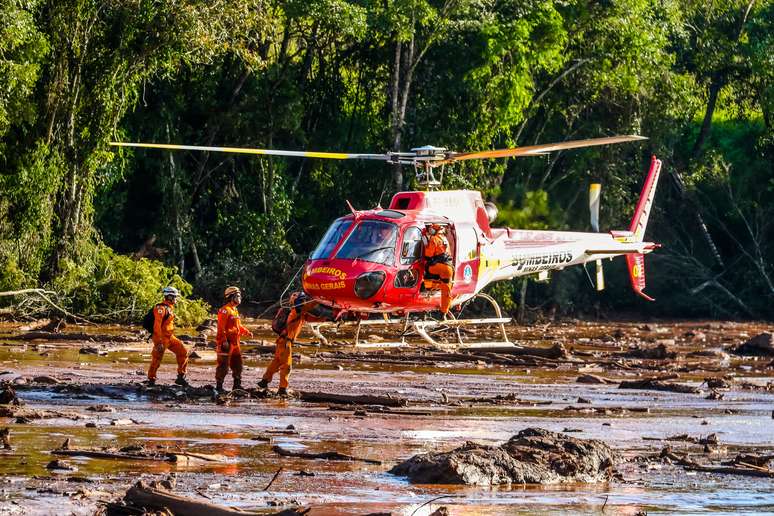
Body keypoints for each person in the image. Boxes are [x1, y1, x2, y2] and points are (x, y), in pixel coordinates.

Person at [258, 292, 324, 396]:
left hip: (282, 341)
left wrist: (329, 317)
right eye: (303, 300)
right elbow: (310, 305)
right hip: (286, 342)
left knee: (277, 362)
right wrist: (319, 297)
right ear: (299, 302)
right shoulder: (296, 311)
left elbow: (315, 319)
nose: (305, 302)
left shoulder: (300, 313)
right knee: (286, 366)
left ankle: (264, 381)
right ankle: (282, 389)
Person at [147, 286, 190, 387]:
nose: (176, 299)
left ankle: (181, 377)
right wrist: (158, 343)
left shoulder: (169, 308)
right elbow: (156, 326)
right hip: (161, 339)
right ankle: (151, 380)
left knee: (183, 352)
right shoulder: (160, 308)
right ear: (169, 296)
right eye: (174, 297)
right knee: (156, 359)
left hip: (170, 337)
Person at [215, 286, 253, 393]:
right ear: (231, 297)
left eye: (239, 295)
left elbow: (238, 326)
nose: (239, 297)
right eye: (237, 295)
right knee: (223, 366)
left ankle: (237, 385)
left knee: (238, 365)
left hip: (236, 343)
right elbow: (221, 327)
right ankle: (219, 387)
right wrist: (223, 341)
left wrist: (246, 332)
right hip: (226, 343)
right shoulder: (224, 310)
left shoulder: (235, 310)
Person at [423, 223, 454, 316]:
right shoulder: (445, 239)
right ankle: (444, 312)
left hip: (440, 267)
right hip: (449, 268)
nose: (430, 230)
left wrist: (425, 245)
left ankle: (427, 288)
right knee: (446, 290)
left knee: (427, 268)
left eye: (431, 228)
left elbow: (428, 255)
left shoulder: (434, 239)